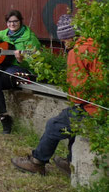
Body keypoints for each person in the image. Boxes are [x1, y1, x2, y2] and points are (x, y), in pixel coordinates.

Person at [11, 14, 101, 176]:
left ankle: (37, 162)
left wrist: (71, 92)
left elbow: (78, 94)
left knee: (55, 125)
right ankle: (71, 162)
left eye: (64, 40)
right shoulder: (95, 45)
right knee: (73, 126)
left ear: (69, 37)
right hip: (102, 104)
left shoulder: (77, 52)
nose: (64, 43)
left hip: (94, 108)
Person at [0, 9, 41, 133]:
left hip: (20, 68)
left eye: (15, 21)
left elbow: (36, 58)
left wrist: (21, 60)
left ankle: (3, 115)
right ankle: (1, 111)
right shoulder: (4, 33)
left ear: (20, 22)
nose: (12, 24)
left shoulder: (29, 37)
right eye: (9, 22)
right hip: (5, 65)